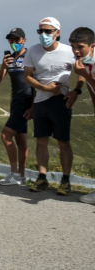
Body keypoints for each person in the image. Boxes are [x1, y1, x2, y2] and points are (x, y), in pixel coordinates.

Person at [24, 17, 83, 195]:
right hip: (41, 100)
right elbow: (27, 76)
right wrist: (43, 88)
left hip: (61, 101)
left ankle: (65, 181)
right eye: (40, 31)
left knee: (63, 142)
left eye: (48, 31)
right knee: (41, 141)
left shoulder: (69, 51)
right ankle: (42, 178)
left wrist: (76, 91)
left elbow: (81, 72)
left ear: (57, 32)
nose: (44, 35)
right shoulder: (32, 51)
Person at [0, 28, 34, 185]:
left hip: (26, 100)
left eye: (17, 40)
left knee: (5, 135)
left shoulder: (30, 56)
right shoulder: (9, 58)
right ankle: (21, 177)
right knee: (21, 140)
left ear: (24, 40)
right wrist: (3, 66)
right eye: (11, 40)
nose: (13, 42)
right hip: (15, 101)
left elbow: (35, 80)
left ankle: (14, 174)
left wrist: (33, 107)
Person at [69, 27, 95, 203]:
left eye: (80, 47)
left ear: (92, 46)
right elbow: (91, 87)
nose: (76, 51)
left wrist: (83, 74)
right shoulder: (84, 60)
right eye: (73, 47)